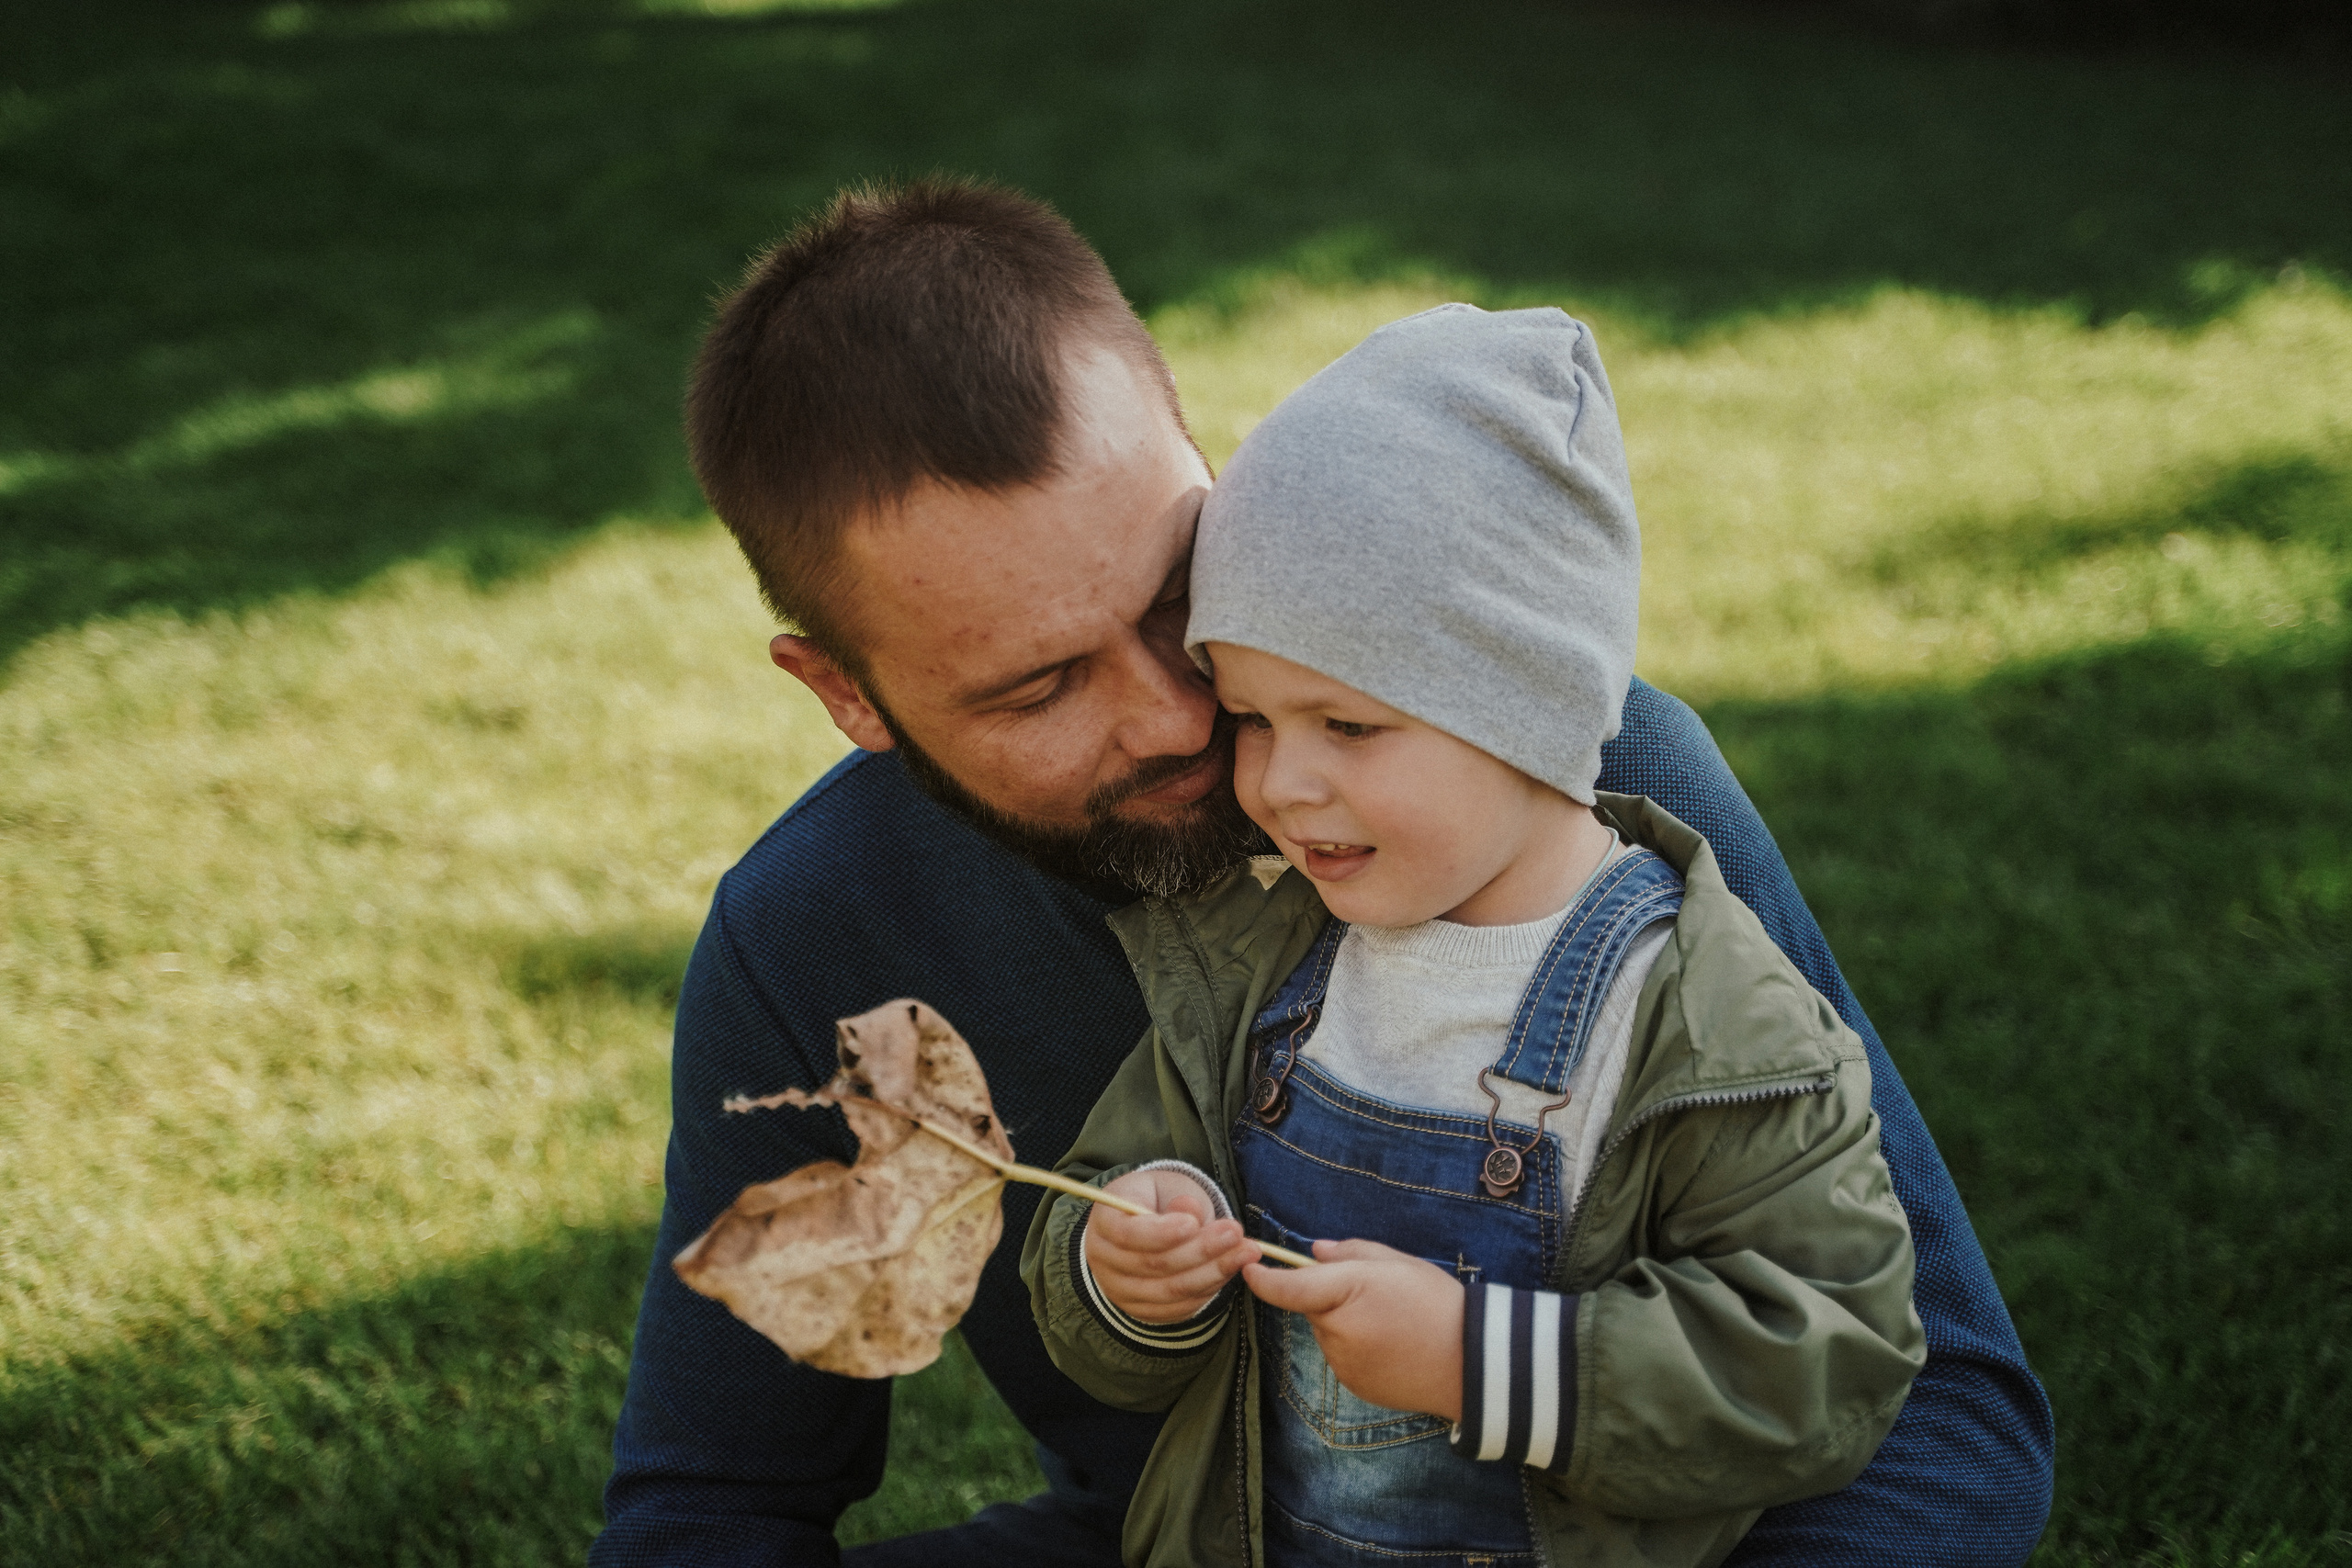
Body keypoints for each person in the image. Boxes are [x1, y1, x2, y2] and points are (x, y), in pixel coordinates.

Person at [588, 178, 2053, 1568]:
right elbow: (717, 1495)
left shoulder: (1586, 790)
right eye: (1038, 692)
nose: (1178, 720)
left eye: (1180, 596)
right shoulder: (812, 931)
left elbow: (1941, 1413)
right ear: (845, 693)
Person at [1023, 303, 1926, 1568]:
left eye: (1346, 726)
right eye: (1252, 719)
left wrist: (1477, 1362)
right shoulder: (1268, 966)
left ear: (1527, 706)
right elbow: (1101, 1262)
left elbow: (1824, 1372)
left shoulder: (1704, 1019)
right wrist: (1127, 1255)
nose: (1282, 786)